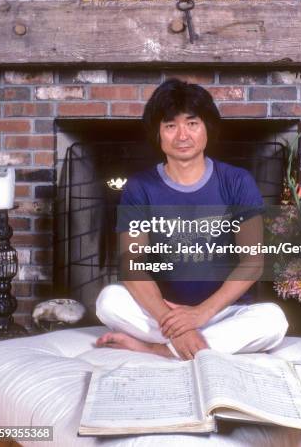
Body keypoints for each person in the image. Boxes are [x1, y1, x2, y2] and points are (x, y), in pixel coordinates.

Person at [96, 79, 288, 360]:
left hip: (223, 313)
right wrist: (173, 322)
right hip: (162, 313)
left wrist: (199, 315)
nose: (182, 135)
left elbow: (253, 261)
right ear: (158, 134)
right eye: (170, 126)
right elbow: (130, 263)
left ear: (207, 128)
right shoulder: (140, 187)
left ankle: (158, 350)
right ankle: (190, 346)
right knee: (108, 301)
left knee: (273, 320)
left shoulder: (237, 181)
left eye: (192, 123)